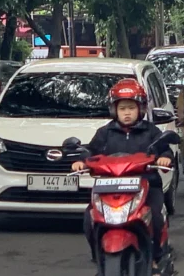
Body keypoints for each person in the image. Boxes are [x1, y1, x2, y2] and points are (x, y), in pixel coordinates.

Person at [73, 79, 174, 271]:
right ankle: (98, 255)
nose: (127, 113)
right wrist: (81, 160)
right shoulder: (105, 133)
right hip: (109, 187)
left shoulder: (151, 131)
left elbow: (164, 149)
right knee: (89, 217)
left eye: (131, 108)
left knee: (155, 215)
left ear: (141, 109)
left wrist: (164, 158)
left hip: (146, 184)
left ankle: (155, 255)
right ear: (114, 110)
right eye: (122, 108)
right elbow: (90, 151)